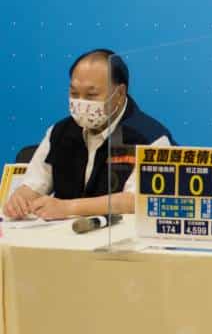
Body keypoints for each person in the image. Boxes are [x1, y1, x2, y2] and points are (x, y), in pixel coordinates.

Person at [2, 49, 175, 221]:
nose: (81, 103)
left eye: (91, 95)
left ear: (120, 94)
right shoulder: (59, 132)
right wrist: (20, 198)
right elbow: (34, 184)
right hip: (61, 235)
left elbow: (135, 201)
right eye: (74, 93)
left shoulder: (151, 139)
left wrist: (68, 208)